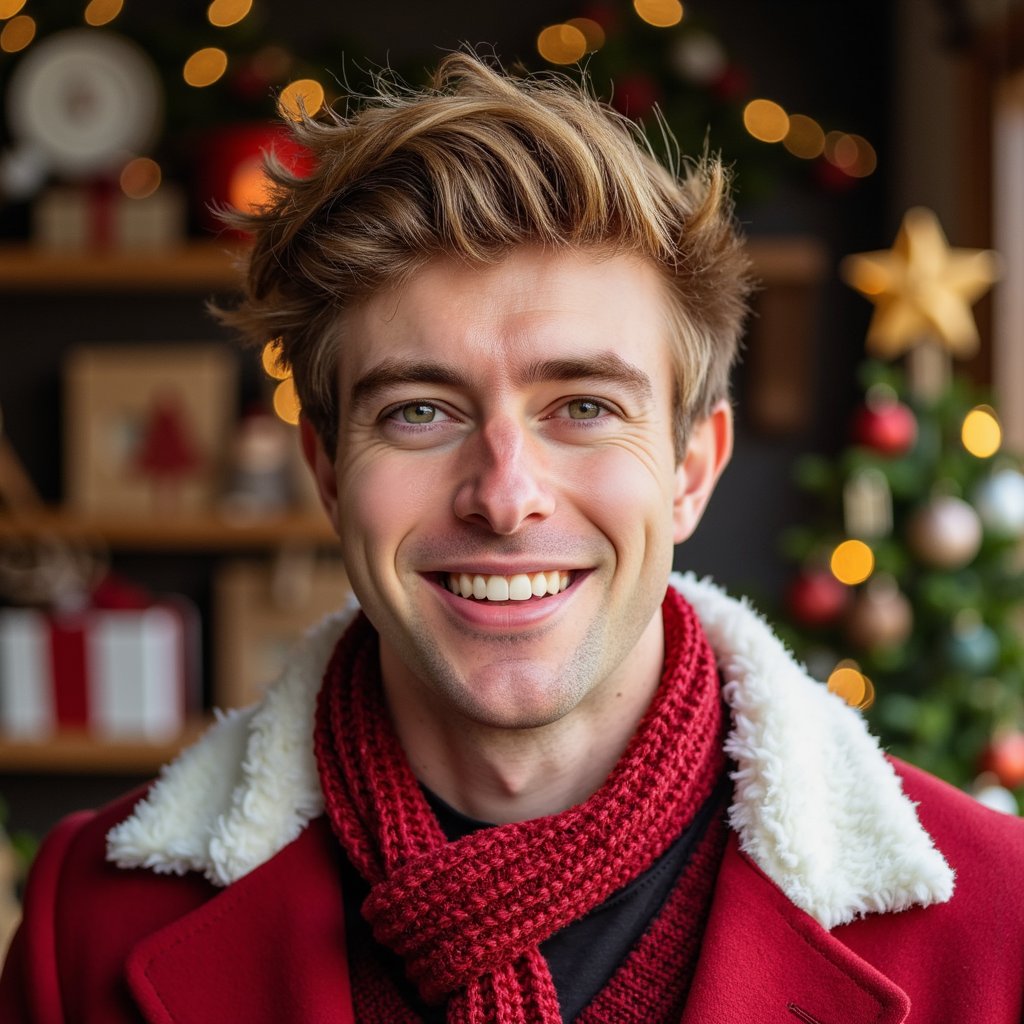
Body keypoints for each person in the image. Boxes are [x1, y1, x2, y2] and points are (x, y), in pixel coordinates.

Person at [2, 51, 1023, 1024]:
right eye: (418, 411)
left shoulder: (1000, 922)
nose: (504, 496)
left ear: (690, 470)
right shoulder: (83, 922)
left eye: (583, 407)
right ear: (327, 472)